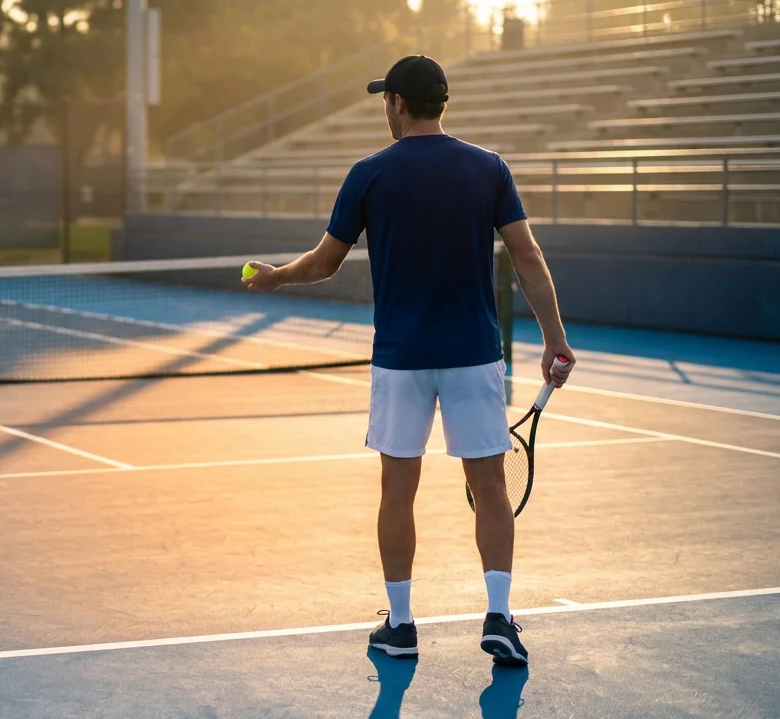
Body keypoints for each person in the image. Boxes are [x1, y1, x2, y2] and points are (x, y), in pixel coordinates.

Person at [243, 55, 575, 666]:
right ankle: (499, 617)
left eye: (385, 100)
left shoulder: (369, 173)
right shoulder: (489, 168)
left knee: (398, 489)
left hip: (401, 360)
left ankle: (401, 628)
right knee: (491, 487)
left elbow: (322, 263)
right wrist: (555, 338)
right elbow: (527, 257)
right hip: (475, 354)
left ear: (397, 103)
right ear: (439, 103)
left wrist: (275, 279)